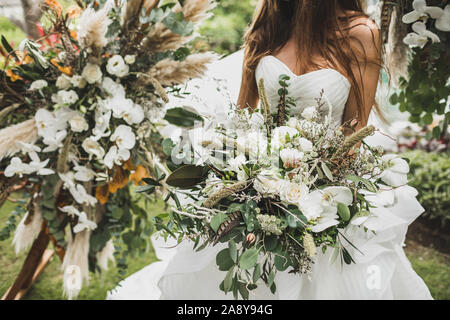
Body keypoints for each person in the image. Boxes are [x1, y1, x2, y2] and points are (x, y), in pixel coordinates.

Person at [108, 0, 432, 300]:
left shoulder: (360, 34)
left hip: (327, 198)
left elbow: (354, 132)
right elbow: (241, 119)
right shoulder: (268, 28)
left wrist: (306, 192)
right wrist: (247, 184)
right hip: (254, 192)